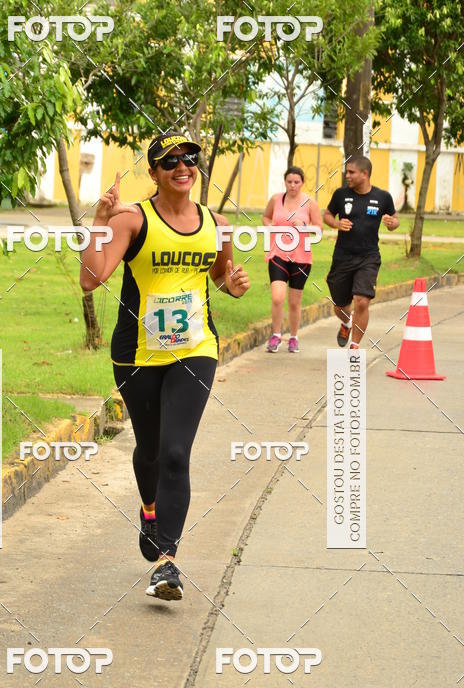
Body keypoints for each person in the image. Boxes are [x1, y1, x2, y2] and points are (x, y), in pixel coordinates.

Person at [80, 132, 249, 602]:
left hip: (196, 349)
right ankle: (149, 509)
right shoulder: (132, 218)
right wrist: (98, 220)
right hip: (137, 355)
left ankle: (166, 561)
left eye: (190, 157)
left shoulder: (217, 223)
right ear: (153, 172)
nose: (182, 165)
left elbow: (219, 273)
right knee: (150, 450)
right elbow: (91, 279)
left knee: (176, 453)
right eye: (169, 160)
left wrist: (232, 283)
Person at [324, 156, 399, 349]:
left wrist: (392, 223)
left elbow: (394, 219)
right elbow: (327, 215)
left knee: (362, 301)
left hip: (369, 257)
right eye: (346, 171)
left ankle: (355, 347)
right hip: (342, 257)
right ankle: (346, 323)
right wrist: (336, 223)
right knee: (340, 306)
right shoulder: (341, 195)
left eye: (351, 172)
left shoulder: (382, 197)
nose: (347, 175)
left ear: (364, 174)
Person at [262, 166, 322, 353]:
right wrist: (270, 225)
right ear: (285, 182)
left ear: (302, 183)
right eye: (289, 182)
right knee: (278, 297)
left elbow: (319, 227)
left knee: (295, 302)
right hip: (278, 254)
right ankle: (276, 335)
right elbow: (265, 217)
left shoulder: (310, 203)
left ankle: (294, 337)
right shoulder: (275, 199)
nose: (293, 185)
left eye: (297, 182)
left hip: (301, 258)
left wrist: (304, 225)